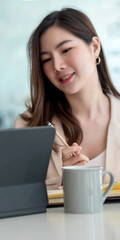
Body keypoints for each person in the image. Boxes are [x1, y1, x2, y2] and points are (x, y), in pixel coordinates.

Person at [15, 8, 120, 189]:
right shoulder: (28, 127)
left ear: (94, 47)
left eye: (66, 50)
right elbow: (19, 200)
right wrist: (63, 185)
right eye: (46, 59)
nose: (57, 65)